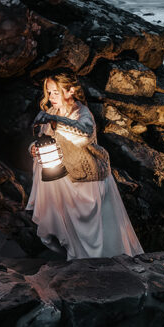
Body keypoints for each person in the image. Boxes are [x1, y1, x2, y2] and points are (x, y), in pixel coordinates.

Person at [26, 70, 144, 260]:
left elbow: (85, 134)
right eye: (49, 92)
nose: (51, 97)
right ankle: (73, 260)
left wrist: (57, 120)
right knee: (65, 228)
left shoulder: (82, 113)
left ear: (70, 91)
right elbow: (43, 138)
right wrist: (33, 147)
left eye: (56, 92)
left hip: (87, 180)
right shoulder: (52, 112)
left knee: (95, 234)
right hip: (61, 179)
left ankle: (100, 265)